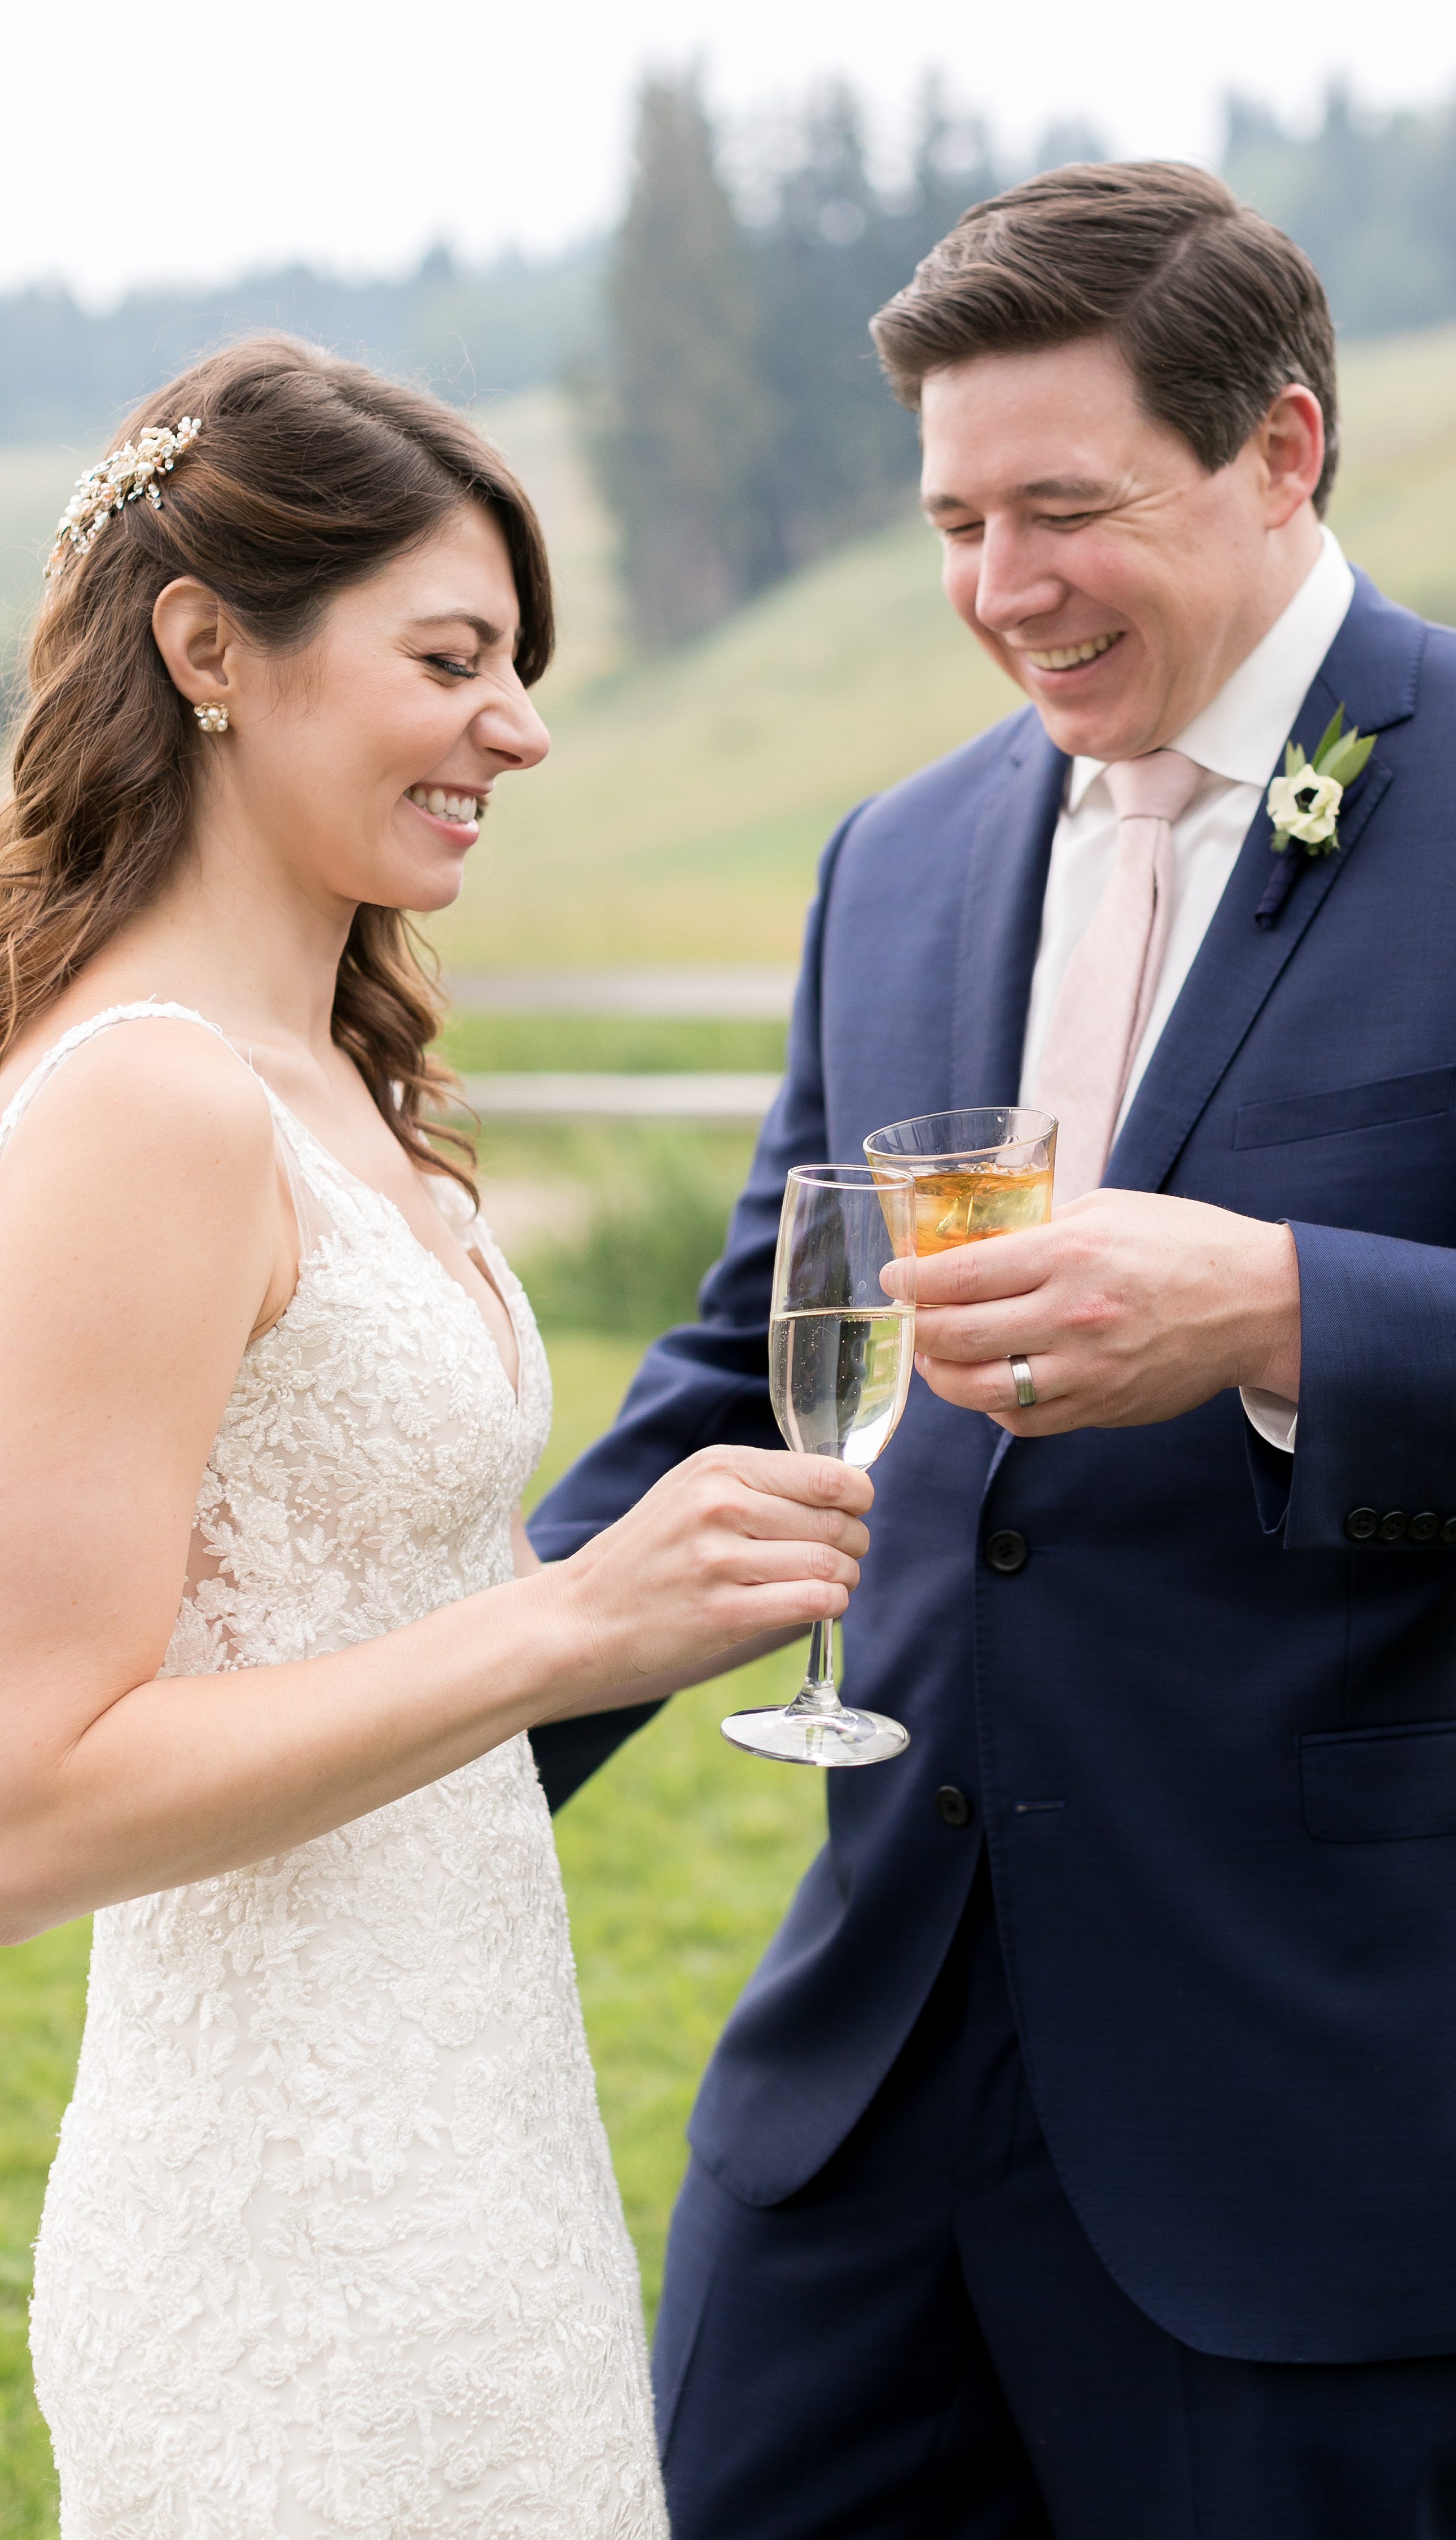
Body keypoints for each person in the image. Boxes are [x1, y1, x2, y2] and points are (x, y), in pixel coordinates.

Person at [529, 163, 1456, 2539]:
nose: (999, 590)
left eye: (1063, 509)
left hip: (1313, 2083)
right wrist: (433, 1721)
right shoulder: (906, 853)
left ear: (1283, 448)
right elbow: (765, 1343)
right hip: (865, 2065)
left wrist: (1281, 1308)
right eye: (955, 520)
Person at [2, 338, 873, 2540]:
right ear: (211, 647)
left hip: (481, 2147)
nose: (526, 726)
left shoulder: (346, 1088)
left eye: (524, 664)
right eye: (455, 656)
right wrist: (569, 1631)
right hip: (282, 2224)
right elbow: (23, 1805)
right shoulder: (143, 1104)